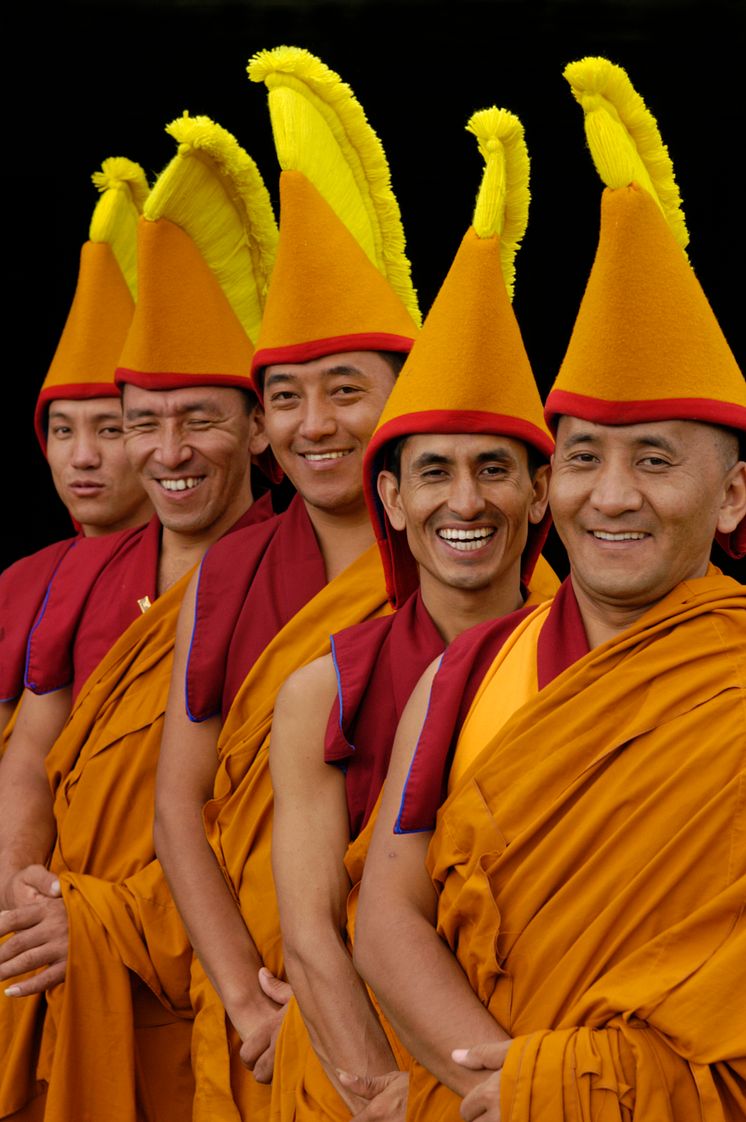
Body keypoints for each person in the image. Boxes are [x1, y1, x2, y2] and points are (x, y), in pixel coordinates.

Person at [354, 57, 746, 1122]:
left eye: (655, 460)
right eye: (579, 458)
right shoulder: (470, 669)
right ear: (545, 483)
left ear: (729, 497)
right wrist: (515, 1089)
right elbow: (385, 912)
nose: (609, 495)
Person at [267, 105, 558, 1122]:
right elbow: (310, 928)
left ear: (542, 492)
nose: (464, 502)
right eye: (430, 473)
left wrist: (523, 1090)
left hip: (552, 1072)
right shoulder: (321, 689)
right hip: (367, 1080)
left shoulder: (607, 663)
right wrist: (383, 1095)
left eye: (493, 470)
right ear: (389, 500)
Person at [153, 46, 421, 1121]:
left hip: (433, 989)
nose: (317, 425)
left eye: (346, 391)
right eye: (289, 397)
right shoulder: (233, 568)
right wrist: (243, 998)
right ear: (260, 423)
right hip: (270, 1005)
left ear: (406, 397)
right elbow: (180, 802)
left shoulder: (475, 558)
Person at [0, 113, 278, 1121]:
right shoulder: (85, 572)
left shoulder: (292, 575)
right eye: (139, 423)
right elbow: (32, 757)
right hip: (62, 968)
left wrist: (114, 920)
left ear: (256, 427)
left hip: (208, 974)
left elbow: (280, 823)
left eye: (198, 418)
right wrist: (21, 904)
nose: (165, 450)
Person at [0, 159, 153, 739]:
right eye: (63, 431)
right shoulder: (20, 584)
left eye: (109, 430)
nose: (81, 457)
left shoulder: (204, 571)